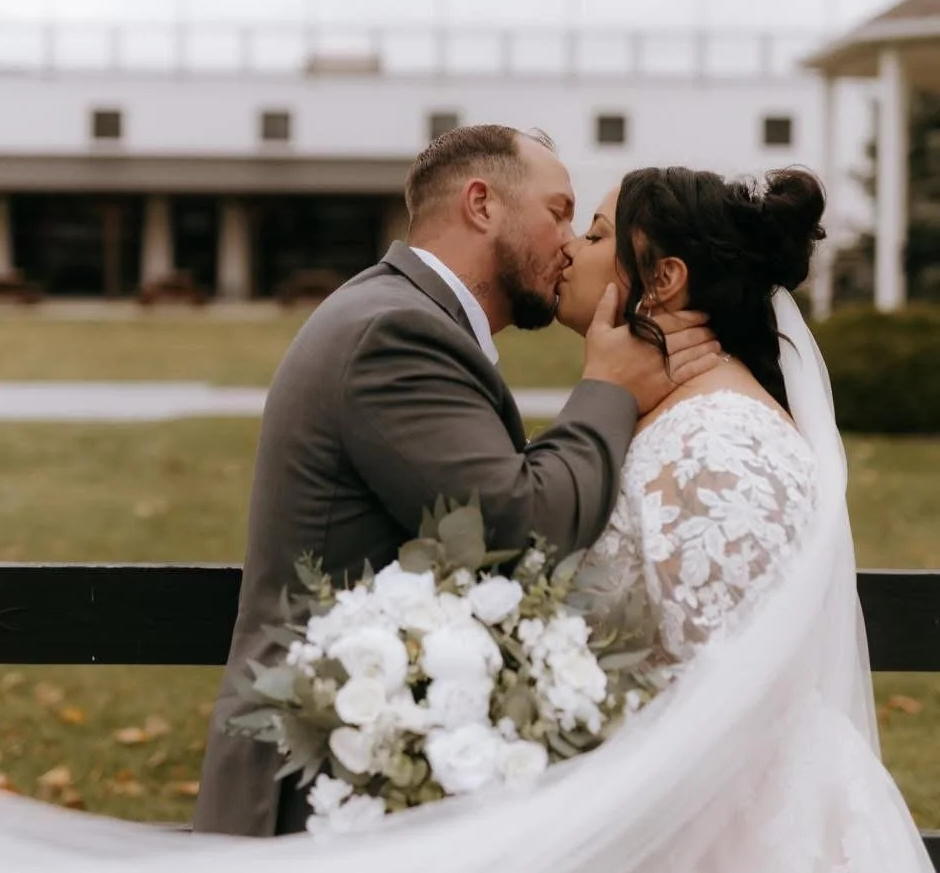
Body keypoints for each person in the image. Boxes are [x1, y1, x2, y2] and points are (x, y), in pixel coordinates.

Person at [0, 166, 939, 873]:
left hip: (726, 852)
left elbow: (730, 693)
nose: (573, 245)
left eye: (595, 228)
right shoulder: (657, 415)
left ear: (666, 281)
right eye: (568, 216)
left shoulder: (719, 441)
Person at [193, 126, 719, 837]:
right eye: (558, 212)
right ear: (482, 205)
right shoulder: (394, 333)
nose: (569, 242)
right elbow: (518, 525)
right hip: (318, 781)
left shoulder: (406, 316)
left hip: (373, 772)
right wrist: (608, 387)